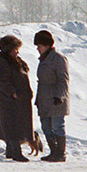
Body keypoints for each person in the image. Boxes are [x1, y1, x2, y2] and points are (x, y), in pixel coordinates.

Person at [0, 34, 35, 162]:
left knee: (17, 124)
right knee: (12, 125)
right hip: (10, 100)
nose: (17, 51)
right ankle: (15, 151)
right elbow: (2, 80)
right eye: (14, 49)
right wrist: (12, 92)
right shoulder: (3, 62)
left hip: (19, 99)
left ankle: (11, 151)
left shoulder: (16, 61)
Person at [34, 29, 70, 163]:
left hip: (56, 99)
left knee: (57, 126)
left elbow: (63, 79)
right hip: (44, 99)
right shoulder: (43, 60)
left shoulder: (58, 59)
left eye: (39, 46)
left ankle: (60, 153)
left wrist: (60, 96)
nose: (38, 49)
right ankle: (53, 152)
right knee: (46, 126)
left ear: (47, 45)